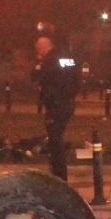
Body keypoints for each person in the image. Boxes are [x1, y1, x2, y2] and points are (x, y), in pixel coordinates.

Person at [31, 32, 80, 180]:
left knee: (55, 140)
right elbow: (75, 77)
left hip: (55, 105)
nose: (37, 51)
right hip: (67, 102)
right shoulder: (67, 57)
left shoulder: (48, 61)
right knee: (57, 137)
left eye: (38, 48)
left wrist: (39, 65)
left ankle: (59, 174)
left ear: (43, 47)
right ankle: (58, 171)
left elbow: (35, 76)